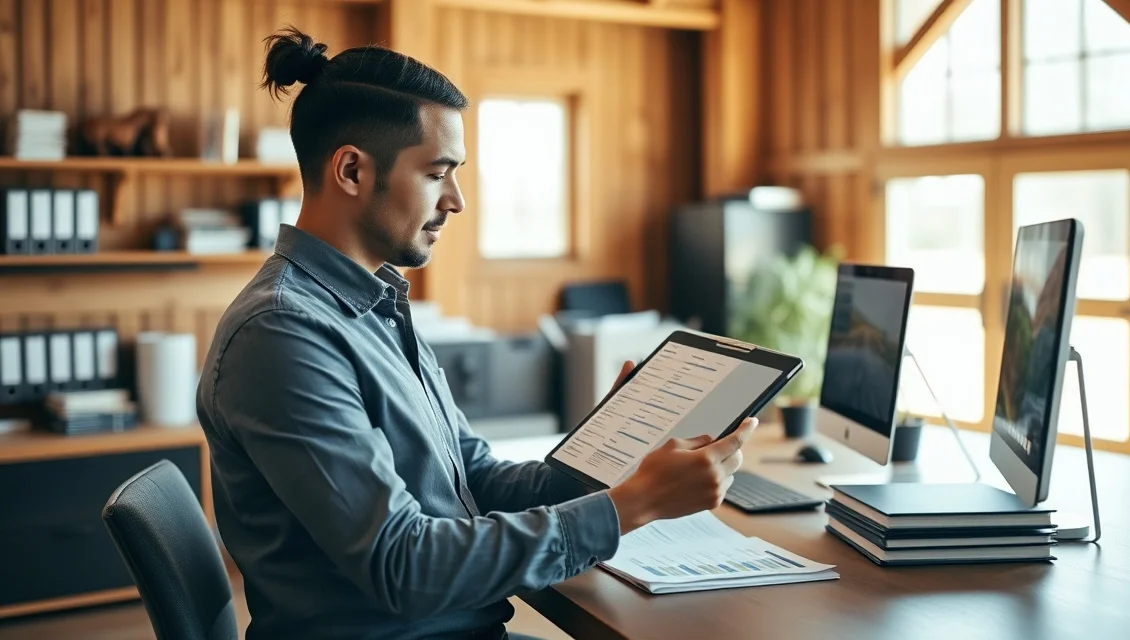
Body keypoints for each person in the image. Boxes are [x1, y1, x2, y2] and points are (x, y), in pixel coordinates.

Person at [196, 27, 758, 640]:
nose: (457, 200)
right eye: (439, 173)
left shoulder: (373, 306)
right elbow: (403, 566)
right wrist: (634, 505)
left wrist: (608, 449)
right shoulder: (283, 335)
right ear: (352, 170)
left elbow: (474, 480)